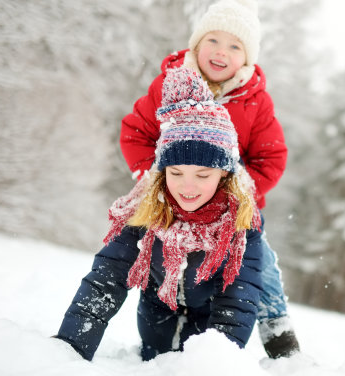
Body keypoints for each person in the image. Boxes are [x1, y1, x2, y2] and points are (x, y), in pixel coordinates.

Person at [119, 0, 300, 358]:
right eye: (212, 40)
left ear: (246, 58)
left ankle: (278, 333)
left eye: (235, 46)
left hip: (232, 211)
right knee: (137, 247)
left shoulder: (255, 101)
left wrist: (239, 190)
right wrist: (152, 177)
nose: (221, 51)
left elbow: (271, 157)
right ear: (196, 44)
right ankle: (159, 329)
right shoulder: (170, 85)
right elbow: (136, 132)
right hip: (170, 199)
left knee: (257, 261)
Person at [56, 68, 264, 361]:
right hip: (156, 316)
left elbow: (238, 301)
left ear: (224, 176)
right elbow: (106, 280)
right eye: (176, 173)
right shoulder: (147, 210)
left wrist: (212, 363)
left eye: (203, 175)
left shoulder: (242, 224)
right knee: (154, 361)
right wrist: (69, 348)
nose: (187, 186)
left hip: (210, 326)